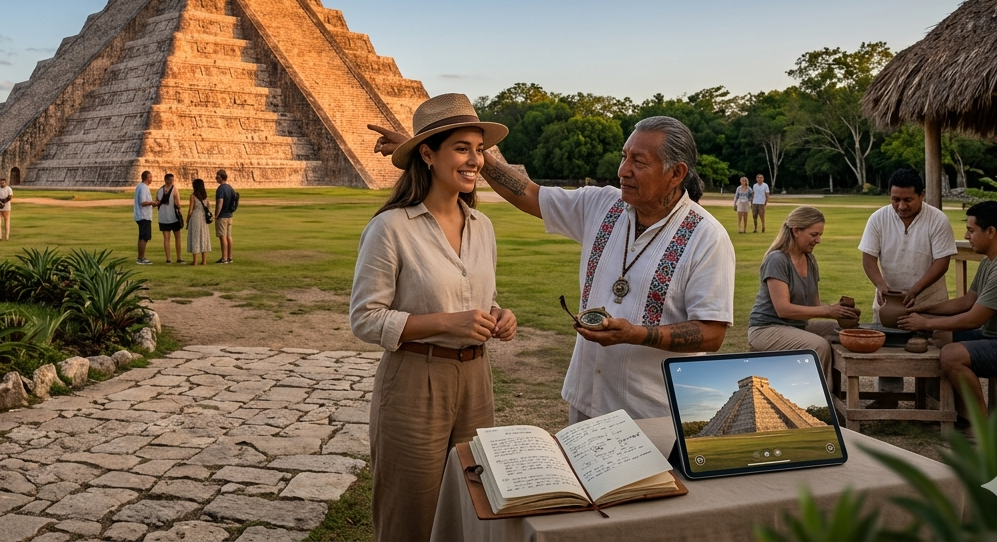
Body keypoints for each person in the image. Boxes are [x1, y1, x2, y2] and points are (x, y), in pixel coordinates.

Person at [370, 114, 733, 422]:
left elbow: (712, 333)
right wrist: (436, 147)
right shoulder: (603, 205)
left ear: (676, 173)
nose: (623, 170)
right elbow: (527, 193)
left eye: (639, 162)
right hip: (586, 398)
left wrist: (636, 334)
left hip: (651, 412)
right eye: (624, 157)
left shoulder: (706, 238)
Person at [352, 93, 517, 542]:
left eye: (478, 149)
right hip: (414, 381)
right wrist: (447, 323)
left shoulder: (482, 226)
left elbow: (484, 297)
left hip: (476, 381)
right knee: (410, 512)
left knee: (474, 507)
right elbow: (366, 319)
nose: (475, 160)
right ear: (427, 154)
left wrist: (501, 317)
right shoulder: (391, 228)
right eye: (462, 148)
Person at [898, 201, 997, 420]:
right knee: (942, 335)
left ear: (990, 232)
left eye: (970, 230)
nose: (967, 236)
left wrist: (926, 323)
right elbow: (966, 302)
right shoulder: (992, 260)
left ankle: (980, 424)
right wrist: (924, 310)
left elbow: (973, 319)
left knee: (951, 355)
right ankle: (958, 413)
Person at [859, 167, 956, 406]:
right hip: (888, 299)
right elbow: (869, 258)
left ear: (922, 195)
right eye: (895, 199)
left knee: (934, 352)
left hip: (929, 298)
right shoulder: (878, 218)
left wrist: (916, 289)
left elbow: (942, 262)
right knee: (888, 351)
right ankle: (888, 398)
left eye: (907, 199)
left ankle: (934, 401)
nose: (901, 205)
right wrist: (881, 285)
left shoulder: (937, 219)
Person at [747, 206, 858, 379]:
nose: (818, 240)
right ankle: (822, 400)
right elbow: (783, 309)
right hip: (766, 328)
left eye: (820, 235)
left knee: (844, 333)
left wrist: (841, 312)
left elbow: (815, 306)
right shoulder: (777, 259)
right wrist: (828, 310)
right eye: (814, 235)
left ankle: (837, 394)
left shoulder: (810, 260)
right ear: (796, 231)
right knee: (819, 345)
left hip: (797, 326)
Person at [155, 173, 183, 264]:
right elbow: (178, 204)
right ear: (167, 180)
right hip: (173, 216)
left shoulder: (159, 190)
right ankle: (179, 258)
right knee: (177, 237)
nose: (172, 181)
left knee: (166, 238)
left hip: (163, 217)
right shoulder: (174, 190)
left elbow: (157, 203)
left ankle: (168, 259)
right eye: (171, 180)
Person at [186, 178, 213, 266]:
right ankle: (204, 261)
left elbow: (190, 210)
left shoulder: (193, 196)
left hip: (196, 217)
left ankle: (195, 261)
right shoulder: (205, 196)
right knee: (203, 238)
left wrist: (187, 220)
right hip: (203, 218)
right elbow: (208, 207)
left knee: (195, 238)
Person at [215, 169, 238, 264]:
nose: (216, 179)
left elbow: (220, 202)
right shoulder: (230, 188)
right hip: (229, 215)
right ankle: (229, 257)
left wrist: (216, 214)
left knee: (222, 237)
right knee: (229, 236)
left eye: (218, 177)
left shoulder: (221, 188)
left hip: (223, 216)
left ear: (222, 178)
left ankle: (224, 258)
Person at [134, 171, 157, 265]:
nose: (152, 179)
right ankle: (141, 258)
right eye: (151, 177)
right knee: (143, 237)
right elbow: (143, 202)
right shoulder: (143, 187)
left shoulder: (142, 187)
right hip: (143, 216)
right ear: (147, 178)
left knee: (144, 237)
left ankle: (141, 257)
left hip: (144, 215)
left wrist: (153, 203)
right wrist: (152, 202)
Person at [0, 177, 14, 242]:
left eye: (3, 182)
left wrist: (4, 202)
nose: (2, 184)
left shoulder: (8, 189)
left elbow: (10, 197)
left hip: (7, 207)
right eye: (1, 182)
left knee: (7, 222)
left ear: (5, 183)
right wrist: (0, 203)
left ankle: (7, 237)